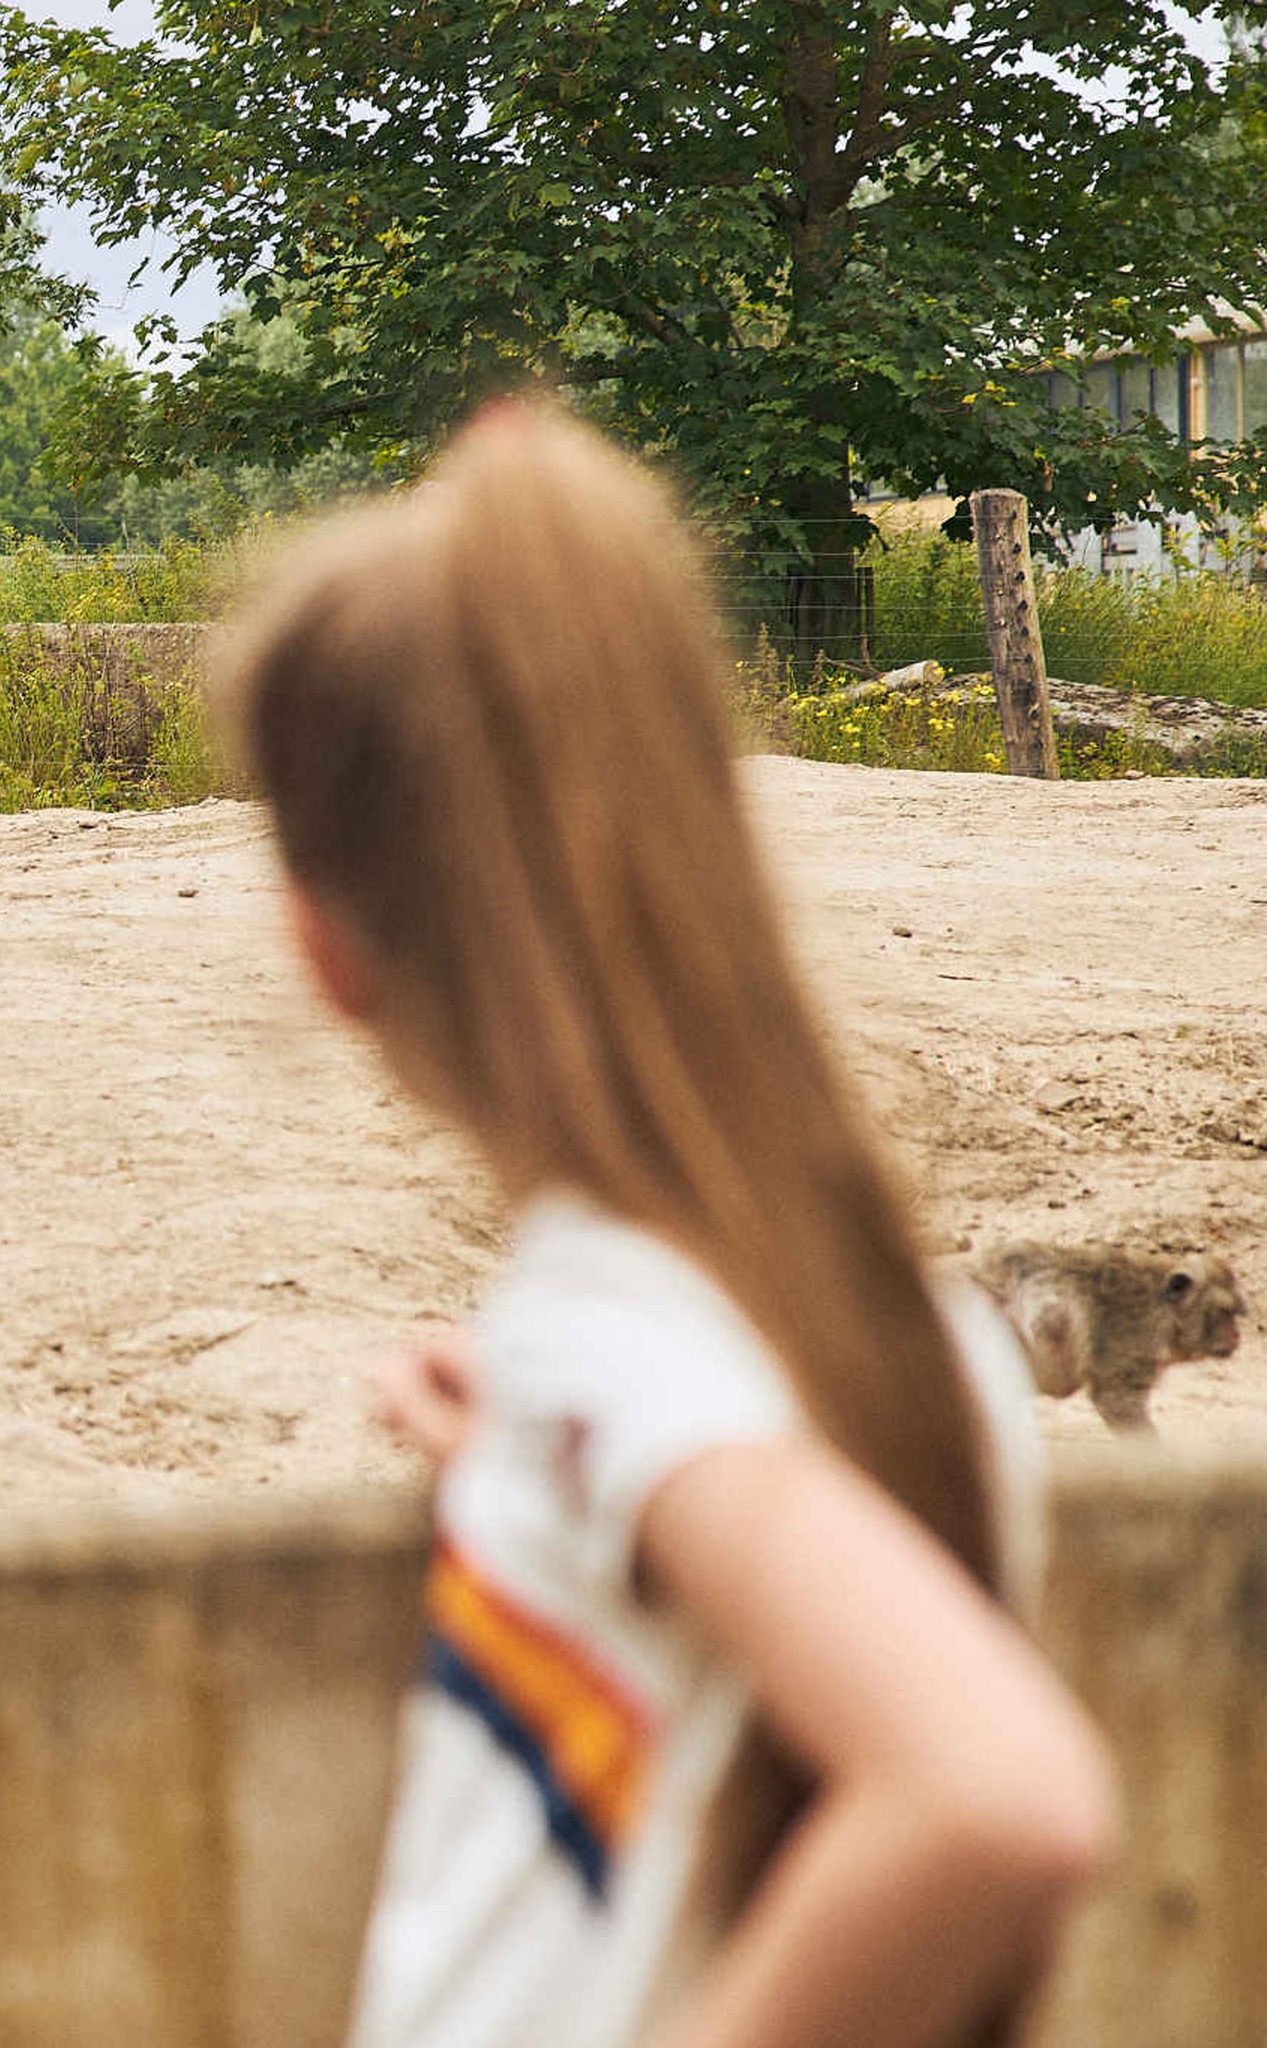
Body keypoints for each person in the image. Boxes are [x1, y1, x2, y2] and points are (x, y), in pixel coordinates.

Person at [224, 402, 1116, 2048]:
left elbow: (997, 1794)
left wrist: (582, 1400)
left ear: (324, 951)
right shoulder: (888, 1341)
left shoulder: (609, 1340)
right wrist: (535, 1457)